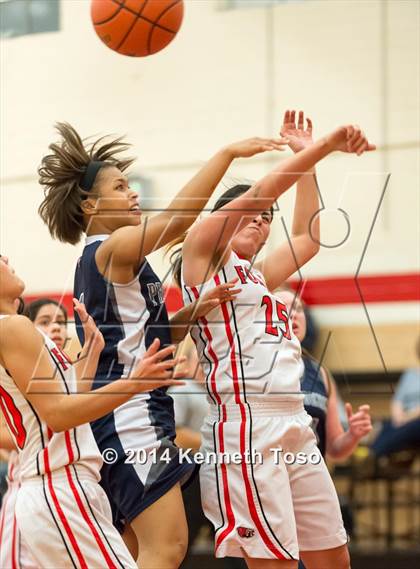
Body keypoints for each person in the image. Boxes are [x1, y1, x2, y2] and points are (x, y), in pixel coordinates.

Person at [37, 123, 281, 568]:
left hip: (131, 411)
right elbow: (177, 221)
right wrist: (226, 153)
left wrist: (193, 311)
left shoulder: (115, 259)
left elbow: (149, 338)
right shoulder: (110, 248)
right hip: (129, 417)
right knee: (165, 547)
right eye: (120, 186)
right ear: (90, 204)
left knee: (133, 550)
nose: (132, 193)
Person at [173, 110, 375, 569]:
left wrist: (307, 159)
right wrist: (323, 145)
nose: (262, 221)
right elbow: (261, 192)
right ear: (225, 216)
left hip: (293, 421)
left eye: (267, 220)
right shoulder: (201, 256)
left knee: (333, 560)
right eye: (253, 214)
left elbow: (307, 237)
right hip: (246, 426)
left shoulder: (258, 276)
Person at [0, 254, 185, 568]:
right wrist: (134, 383)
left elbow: (65, 401)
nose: (5, 258)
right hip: (56, 485)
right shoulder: (12, 328)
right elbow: (59, 415)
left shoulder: (20, 330)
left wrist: (91, 354)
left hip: (63, 486)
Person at [281, 289, 373, 460]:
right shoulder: (254, 371)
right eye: (283, 308)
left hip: (311, 476)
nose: (293, 314)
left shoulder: (320, 373)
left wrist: (352, 435)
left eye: (299, 308)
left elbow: (334, 448)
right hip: (270, 477)